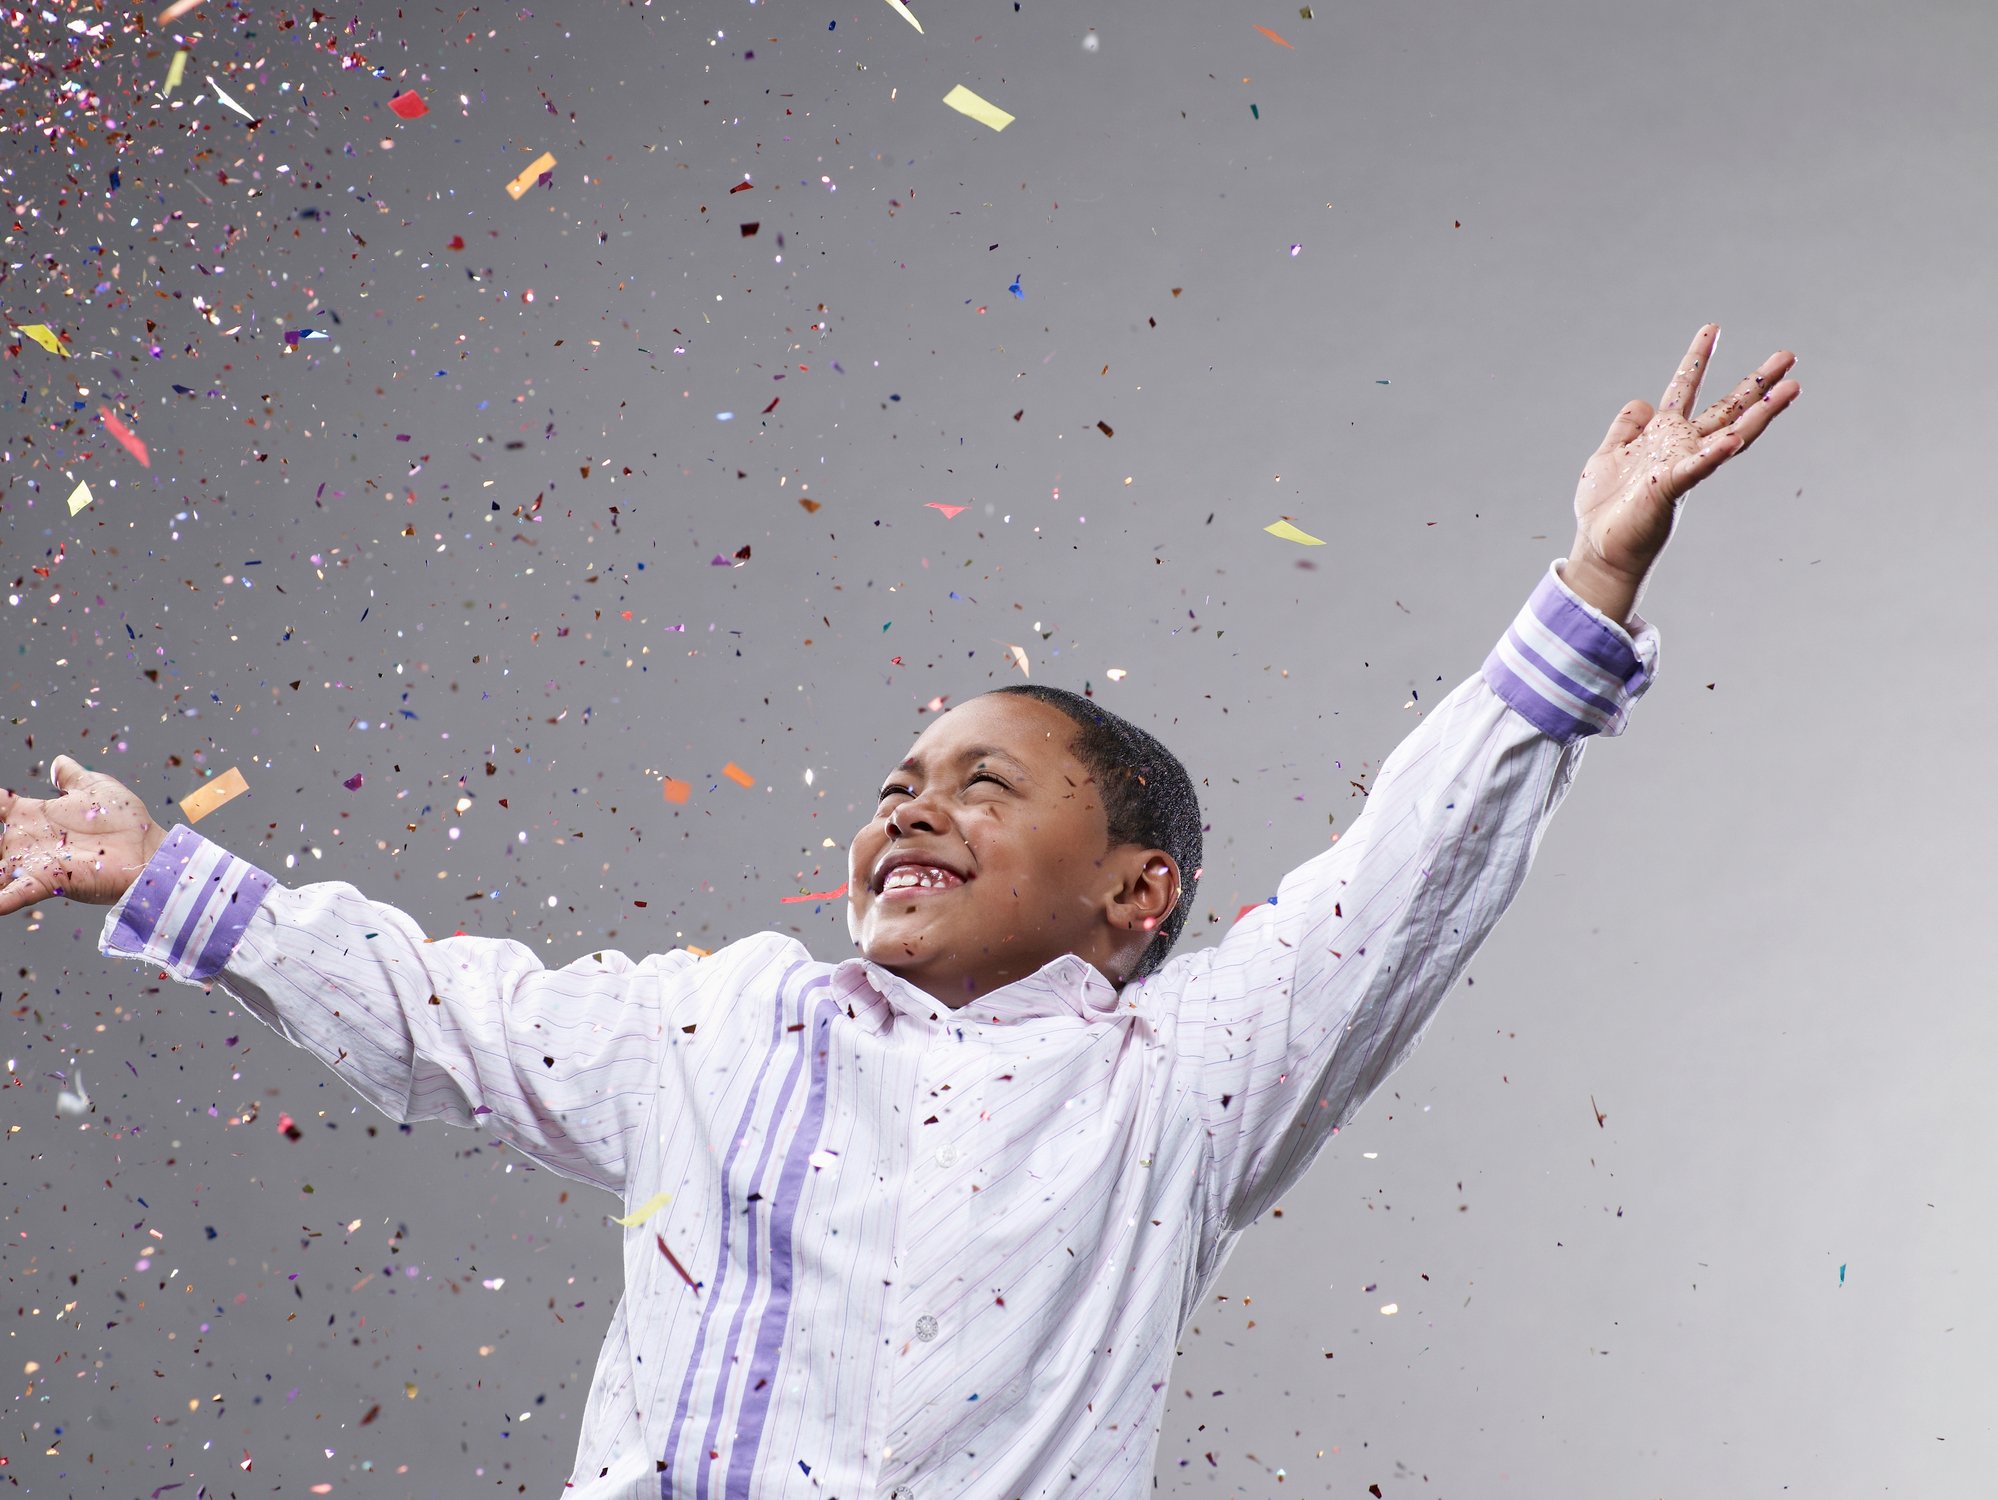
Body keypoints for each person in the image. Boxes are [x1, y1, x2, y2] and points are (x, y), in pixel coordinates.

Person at [0, 326, 1797, 1499]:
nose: (911, 807)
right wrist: (162, 874)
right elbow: (433, 1009)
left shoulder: (1183, 1086)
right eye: (896, 785)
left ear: (1132, 893)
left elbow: (1400, 883)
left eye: (986, 785)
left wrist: (1595, 574)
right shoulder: (717, 1028)